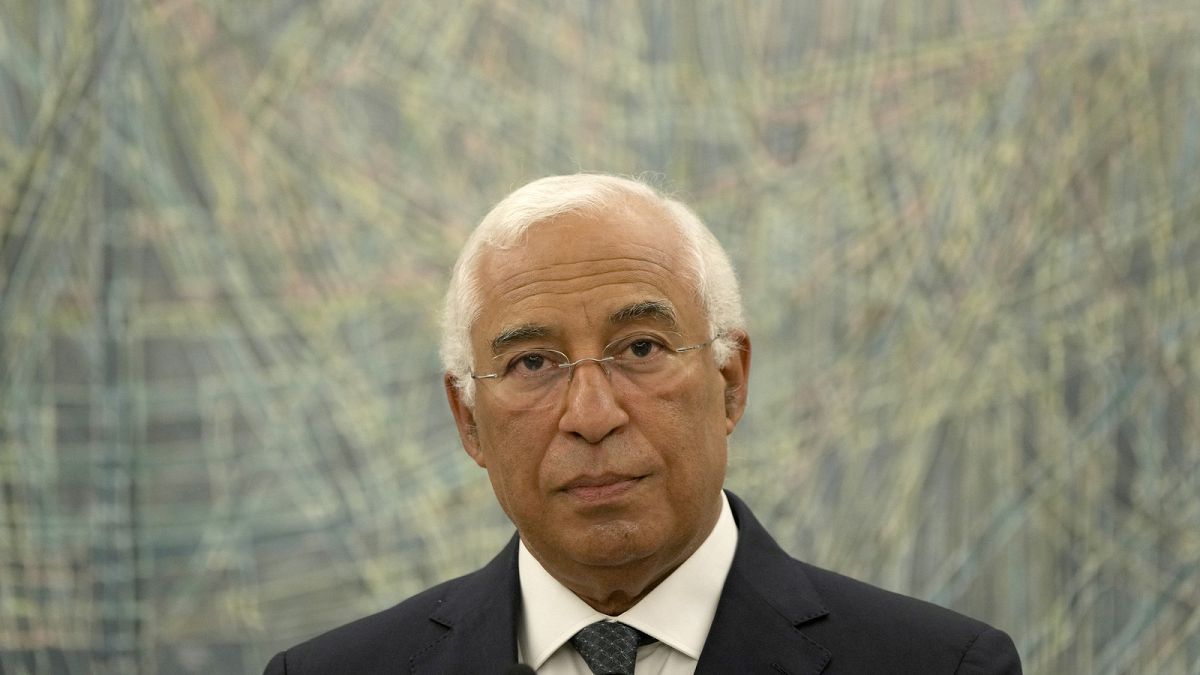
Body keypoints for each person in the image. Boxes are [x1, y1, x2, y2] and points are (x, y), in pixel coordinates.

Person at [264, 174, 1022, 674]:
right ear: (469, 420)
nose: (592, 416)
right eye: (533, 362)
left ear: (729, 382)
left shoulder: (944, 667)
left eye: (640, 348)